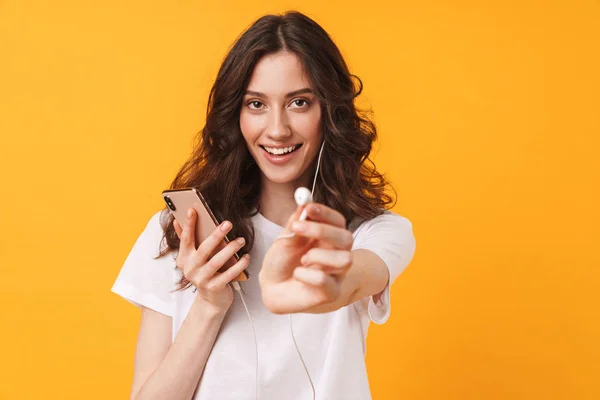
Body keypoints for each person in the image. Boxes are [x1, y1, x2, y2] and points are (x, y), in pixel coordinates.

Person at [111, 10, 416, 400]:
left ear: (331, 113)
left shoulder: (374, 233)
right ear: (235, 115)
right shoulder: (180, 233)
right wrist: (208, 303)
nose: (276, 129)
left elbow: (356, 277)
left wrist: (328, 284)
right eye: (256, 104)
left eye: (299, 103)